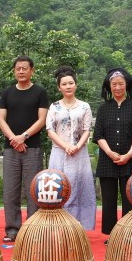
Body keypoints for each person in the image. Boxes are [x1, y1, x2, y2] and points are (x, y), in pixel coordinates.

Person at [0, 55, 48, 242]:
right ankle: (12, 229)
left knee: (32, 190)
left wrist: (23, 136)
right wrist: (13, 138)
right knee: (10, 190)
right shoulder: (7, 93)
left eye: (24, 68)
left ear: (32, 70)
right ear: (14, 71)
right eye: (18, 68)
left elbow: (42, 119)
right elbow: (1, 119)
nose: (21, 71)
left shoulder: (40, 92)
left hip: (32, 147)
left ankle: (32, 229)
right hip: (11, 148)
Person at [93, 68, 132, 241]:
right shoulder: (103, 109)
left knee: (129, 199)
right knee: (108, 201)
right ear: (109, 87)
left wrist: (128, 155)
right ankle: (112, 234)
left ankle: (128, 232)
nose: (117, 87)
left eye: (121, 84)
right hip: (107, 161)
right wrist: (110, 153)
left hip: (129, 161)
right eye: (114, 84)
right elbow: (98, 135)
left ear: (127, 85)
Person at [46, 66, 96, 230]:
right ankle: (58, 226)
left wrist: (76, 146)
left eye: (71, 83)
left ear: (76, 84)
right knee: (59, 188)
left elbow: (87, 129)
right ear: (59, 87)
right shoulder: (54, 107)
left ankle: (78, 226)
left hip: (78, 153)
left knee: (78, 188)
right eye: (64, 84)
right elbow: (50, 130)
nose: (68, 86)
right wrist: (66, 146)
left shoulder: (84, 106)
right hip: (59, 152)